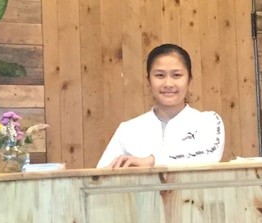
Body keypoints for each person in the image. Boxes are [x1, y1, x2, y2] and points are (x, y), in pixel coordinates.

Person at [96, 43, 225, 168]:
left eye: (177, 75)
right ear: (148, 80)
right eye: (160, 75)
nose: (168, 84)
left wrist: (152, 161)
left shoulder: (209, 122)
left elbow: (210, 155)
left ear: (189, 79)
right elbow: (101, 176)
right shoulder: (127, 130)